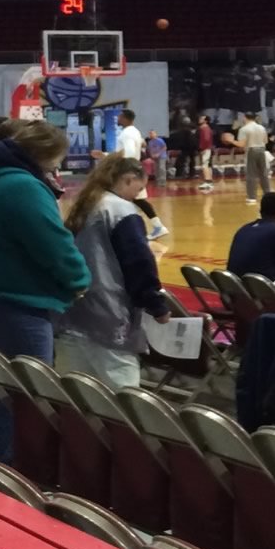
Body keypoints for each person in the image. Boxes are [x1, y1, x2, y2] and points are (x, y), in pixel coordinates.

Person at [0, 119, 90, 462]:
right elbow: (53, 242)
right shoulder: (22, 186)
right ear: (44, 153)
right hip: (12, 305)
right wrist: (78, 281)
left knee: (5, 389)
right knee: (26, 397)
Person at [57, 154, 172, 389]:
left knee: (84, 393)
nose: (137, 196)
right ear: (129, 179)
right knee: (126, 397)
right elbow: (138, 263)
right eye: (138, 189)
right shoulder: (122, 210)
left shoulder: (86, 204)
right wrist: (155, 304)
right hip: (108, 314)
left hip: (76, 312)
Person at [112, 109, 168, 239]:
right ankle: (158, 226)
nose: (118, 119)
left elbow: (130, 153)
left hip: (128, 170)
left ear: (125, 118)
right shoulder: (135, 131)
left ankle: (126, 231)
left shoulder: (127, 133)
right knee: (139, 201)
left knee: (120, 200)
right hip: (135, 169)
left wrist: (123, 169)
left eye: (119, 116)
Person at [237, 111, 271, 203]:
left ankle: (252, 197)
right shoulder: (262, 127)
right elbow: (266, 141)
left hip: (251, 150)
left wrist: (231, 141)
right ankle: (267, 194)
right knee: (263, 174)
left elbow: (241, 144)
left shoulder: (244, 129)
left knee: (251, 174)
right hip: (262, 150)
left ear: (244, 117)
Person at [196, 115, 215, 192]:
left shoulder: (205, 128)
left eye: (201, 118)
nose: (199, 119)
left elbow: (206, 139)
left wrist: (203, 148)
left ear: (206, 121)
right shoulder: (205, 128)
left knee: (205, 165)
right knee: (208, 165)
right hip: (208, 149)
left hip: (206, 149)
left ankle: (207, 181)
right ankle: (210, 181)